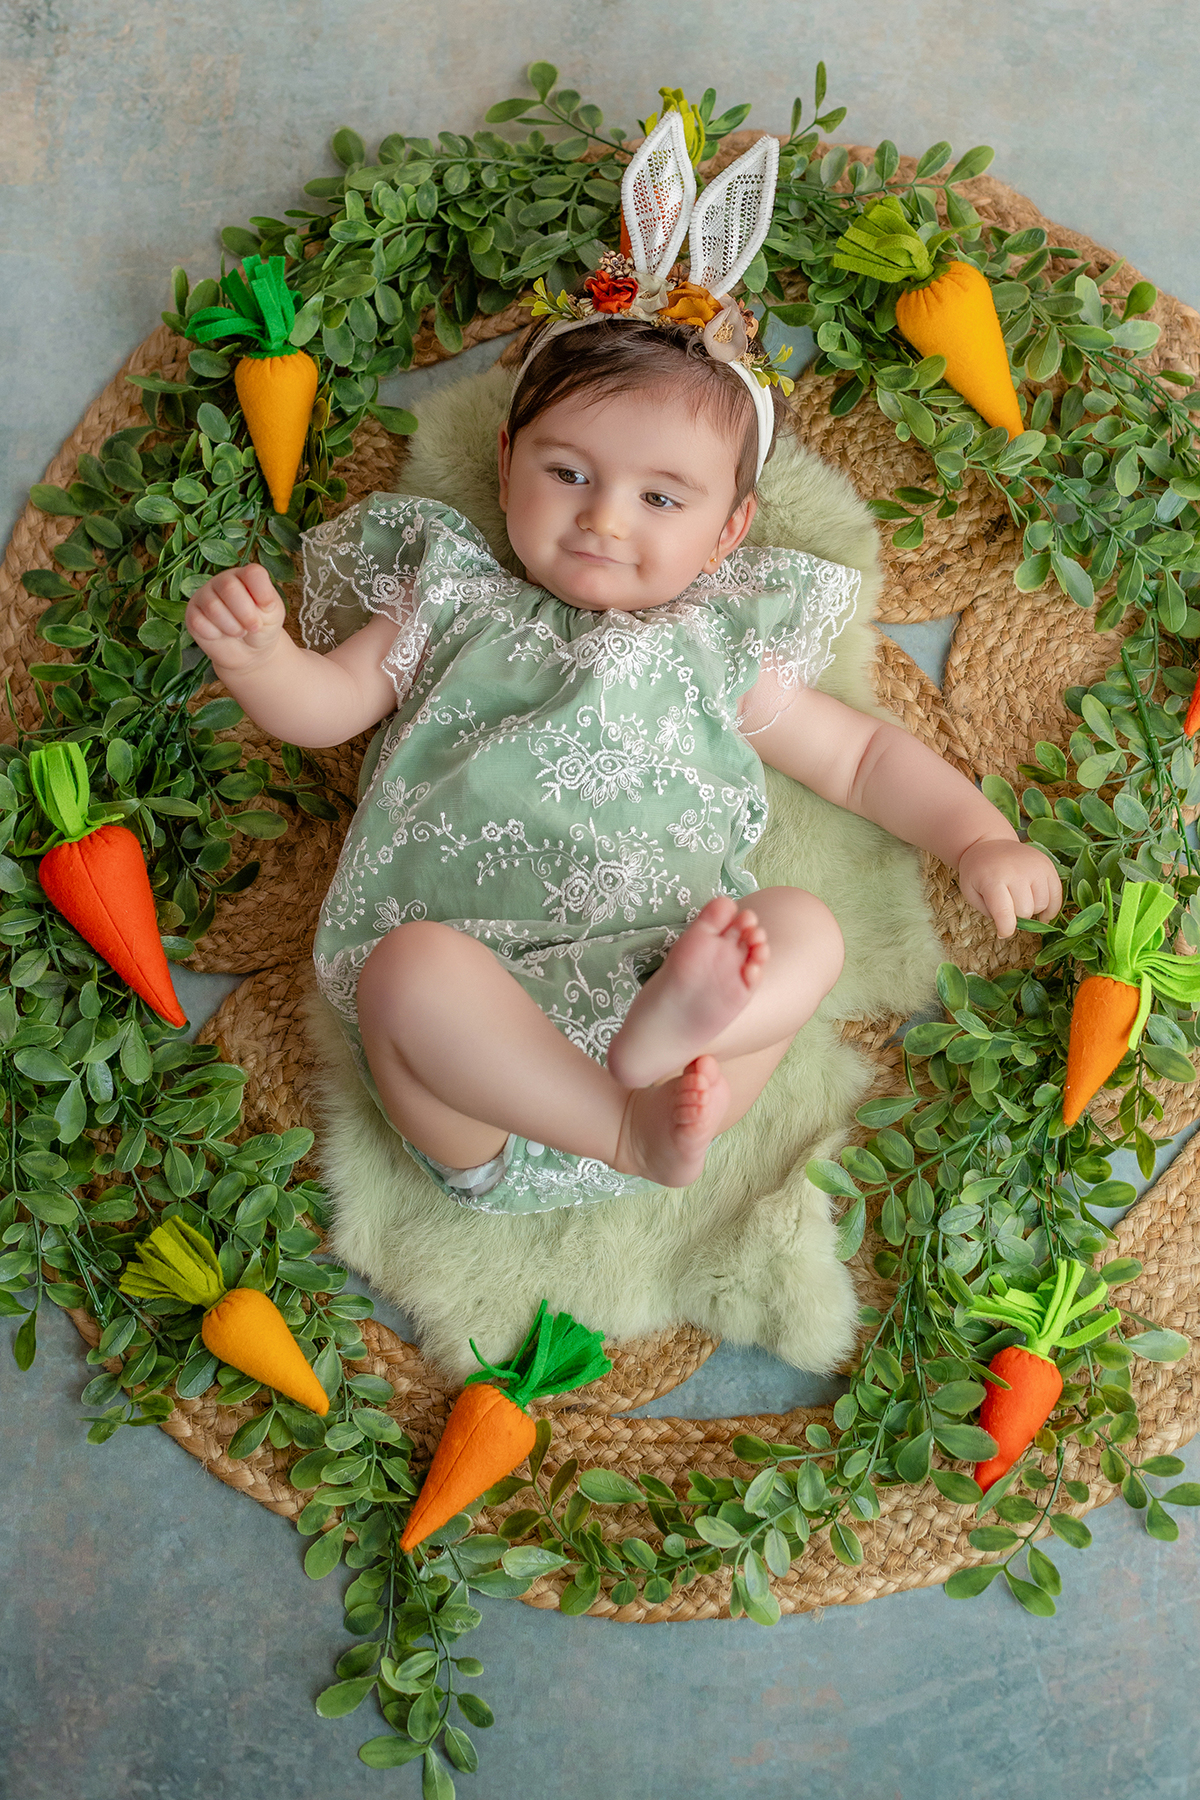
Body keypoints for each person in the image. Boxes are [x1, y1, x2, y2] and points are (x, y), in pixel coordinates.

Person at [184, 123, 1062, 1218]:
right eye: (567, 471)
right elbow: (326, 709)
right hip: (484, 1081)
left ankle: (662, 1048)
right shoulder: (449, 601)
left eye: (660, 497)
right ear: (505, 465)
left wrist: (978, 836)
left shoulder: (723, 643)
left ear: (730, 531)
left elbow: (867, 759)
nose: (603, 517)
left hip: (674, 1000)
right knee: (406, 972)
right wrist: (265, 658)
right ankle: (615, 1124)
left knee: (804, 932)